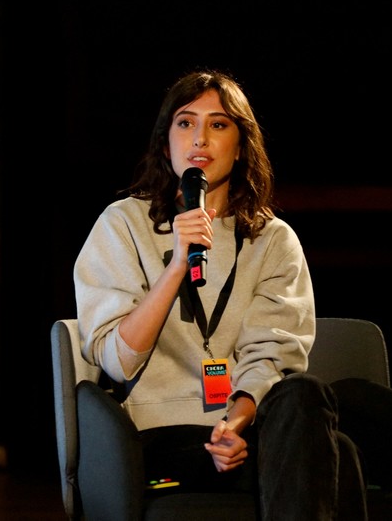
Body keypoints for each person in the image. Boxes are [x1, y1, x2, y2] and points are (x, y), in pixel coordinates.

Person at [73, 69, 368, 520]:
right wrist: (176, 265)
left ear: (241, 144)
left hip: (246, 430)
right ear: (165, 139)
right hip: (159, 438)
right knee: (338, 460)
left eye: (219, 124)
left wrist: (235, 421)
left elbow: (271, 354)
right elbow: (118, 360)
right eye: (186, 123)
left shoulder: (273, 239)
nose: (200, 140)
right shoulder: (122, 224)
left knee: (305, 398)